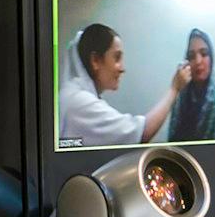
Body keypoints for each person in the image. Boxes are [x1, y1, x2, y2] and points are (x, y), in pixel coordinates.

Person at [58, 23, 188, 148]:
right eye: (117, 58)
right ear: (95, 60)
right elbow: (142, 133)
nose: (122, 68)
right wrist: (174, 88)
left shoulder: (73, 96)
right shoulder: (79, 102)